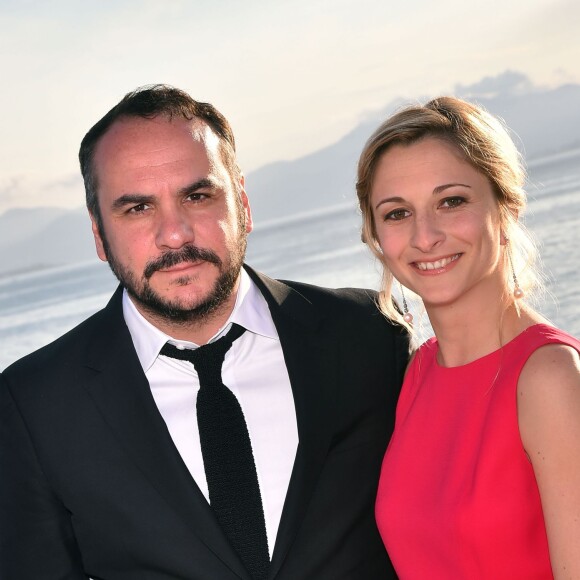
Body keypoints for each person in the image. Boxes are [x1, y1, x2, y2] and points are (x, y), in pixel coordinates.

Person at [0, 85, 409, 580]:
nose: (175, 234)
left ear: (242, 203)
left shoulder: (369, 332)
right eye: (137, 208)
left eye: (197, 196)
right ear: (97, 234)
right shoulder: (33, 403)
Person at [356, 96, 580, 578]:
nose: (425, 235)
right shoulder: (417, 372)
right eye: (397, 213)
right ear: (375, 236)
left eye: (451, 201)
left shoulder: (550, 377)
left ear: (506, 207)